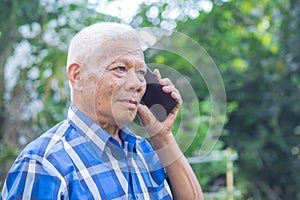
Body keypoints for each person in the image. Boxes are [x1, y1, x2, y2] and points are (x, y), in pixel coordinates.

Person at [1, 22, 203, 199]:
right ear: (77, 75)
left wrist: (162, 136)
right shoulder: (43, 164)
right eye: (120, 69)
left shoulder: (144, 150)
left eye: (141, 72)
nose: (137, 83)